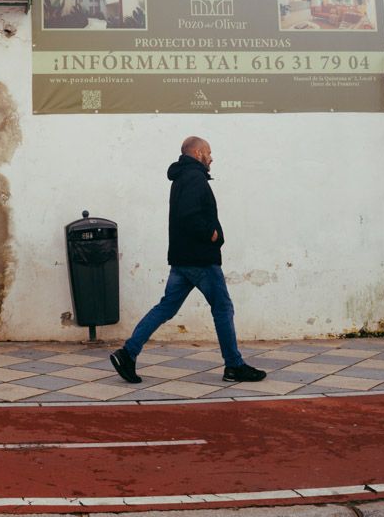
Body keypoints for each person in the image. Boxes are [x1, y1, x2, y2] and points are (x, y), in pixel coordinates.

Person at [110, 136, 267, 384]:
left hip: (182, 259)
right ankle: (234, 366)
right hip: (200, 259)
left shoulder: (182, 177)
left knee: (166, 308)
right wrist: (212, 234)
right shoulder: (194, 177)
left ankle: (127, 353)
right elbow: (189, 215)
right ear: (197, 153)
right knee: (223, 308)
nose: (211, 158)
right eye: (208, 152)